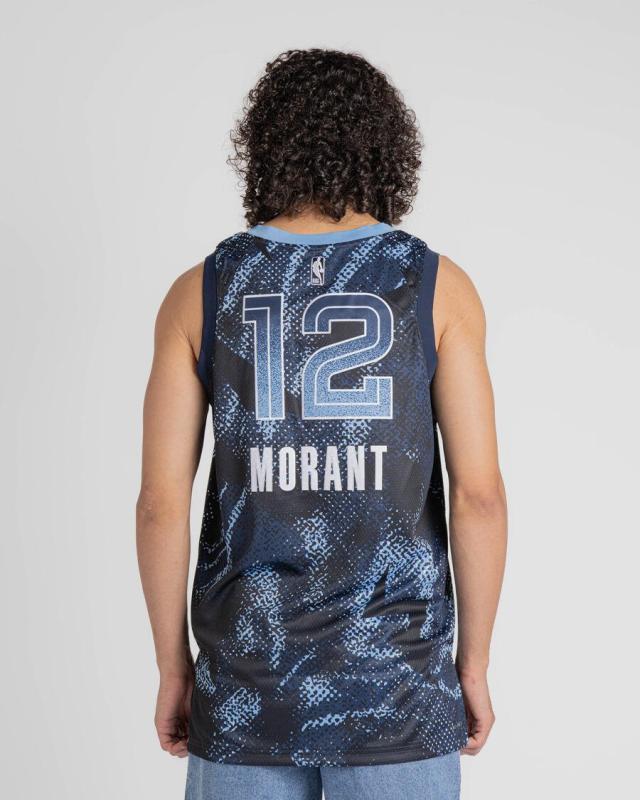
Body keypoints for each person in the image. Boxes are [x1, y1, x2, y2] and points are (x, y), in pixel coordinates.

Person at [137, 48, 507, 800]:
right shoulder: (437, 287)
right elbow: (479, 497)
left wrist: (174, 669)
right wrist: (472, 665)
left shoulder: (200, 291)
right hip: (399, 695)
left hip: (244, 695)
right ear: (386, 150)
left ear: (265, 148)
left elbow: (160, 505)